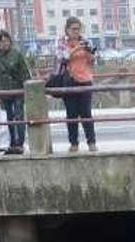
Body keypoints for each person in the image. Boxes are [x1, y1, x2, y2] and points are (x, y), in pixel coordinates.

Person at [55, 17, 97, 152]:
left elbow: (92, 61)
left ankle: (91, 142)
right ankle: (74, 143)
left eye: (78, 29)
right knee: (71, 114)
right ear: (67, 29)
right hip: (69, 80)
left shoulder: (85, 41)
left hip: (85, 80)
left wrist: (90, 53)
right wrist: (76, 49)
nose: (76, 32)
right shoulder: (61, 42)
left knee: (86, 113)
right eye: (73, 29)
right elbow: (62, 58)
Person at [0, 30, 30, 155]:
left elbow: (25, 73)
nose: (5, 44)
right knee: (7, 117)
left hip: (17, 89)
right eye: (2, 41)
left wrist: (27, 88)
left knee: (19, 116)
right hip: (2, 89)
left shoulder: (16, 54)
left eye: (7, 41)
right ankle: (10, 142)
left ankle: (19, 143)